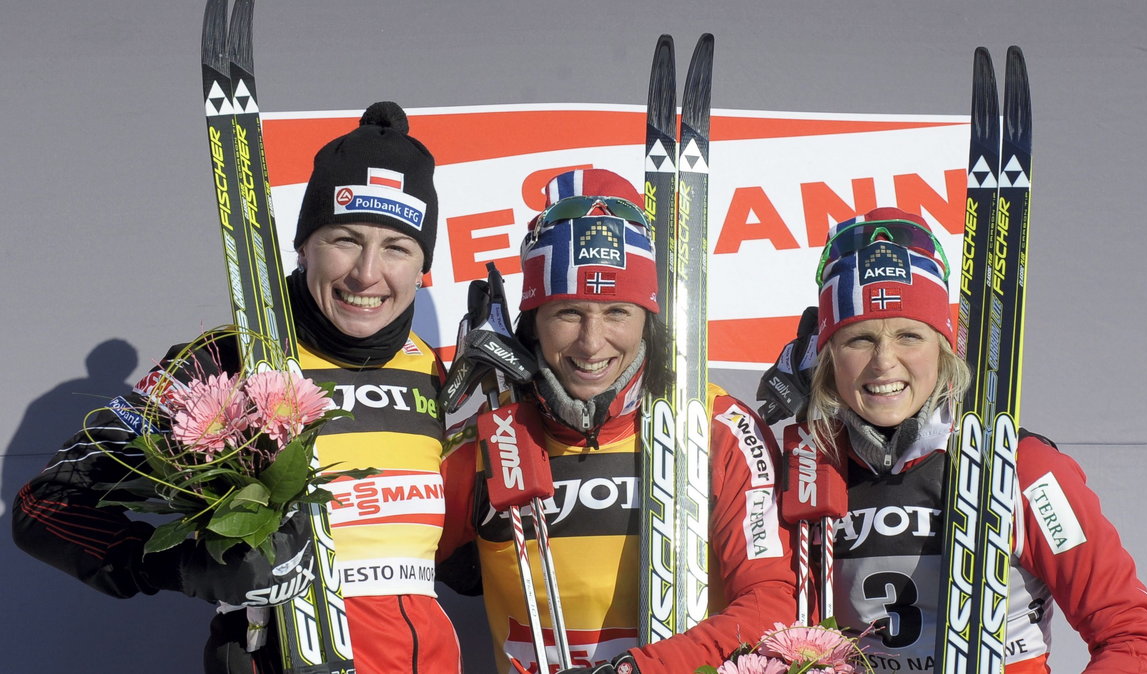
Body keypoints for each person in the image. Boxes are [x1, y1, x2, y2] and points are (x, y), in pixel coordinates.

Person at [12, 102, 460, 674]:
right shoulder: (222, 361)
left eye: (396, 247)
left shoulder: (437, 374)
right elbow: (44, 505)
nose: (367, 273)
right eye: (344, 239)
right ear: (303, 245)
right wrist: (181, 567)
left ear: (423, 264)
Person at [762, 207, 1147, 672]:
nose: (884, 361)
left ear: (944, 347)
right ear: (828, 355)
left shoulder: (1024, 469)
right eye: (859, 340)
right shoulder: (809, 470)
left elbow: (1134, 637)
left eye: (909, 335)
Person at [437, 168, 798, 674]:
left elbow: (772, 605)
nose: (591, 342)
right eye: (567, 312)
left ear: (648, 318)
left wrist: (641, 669)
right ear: (532, 323)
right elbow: (377, 561)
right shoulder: (489, 439)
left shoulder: (718, 427)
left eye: (616, 312)